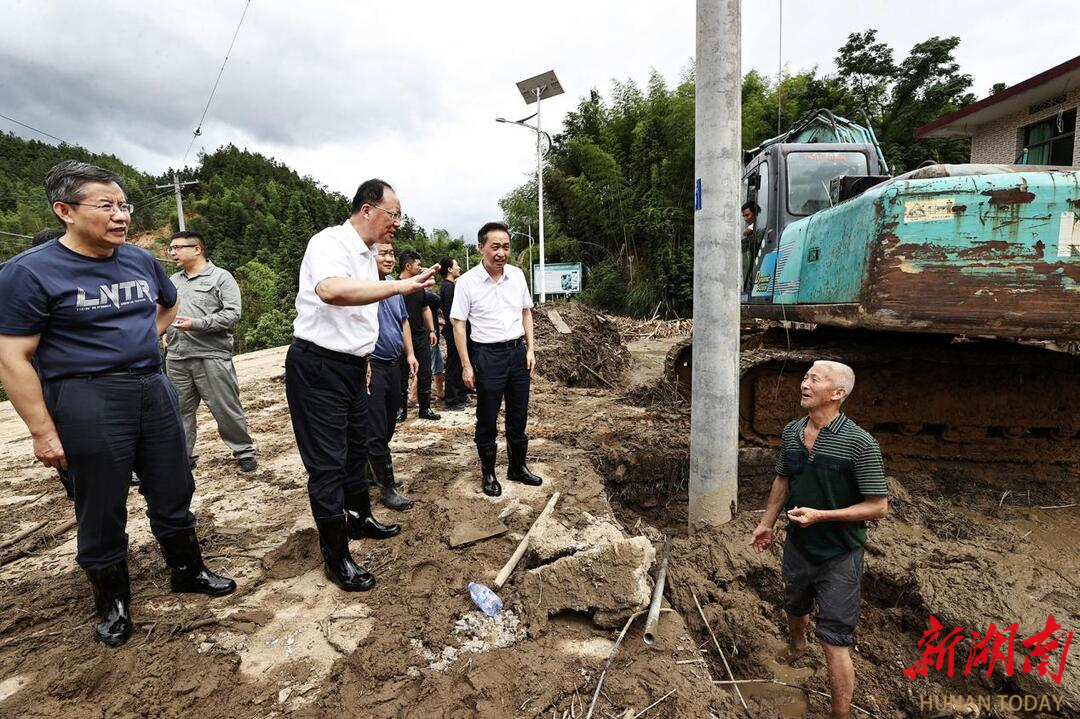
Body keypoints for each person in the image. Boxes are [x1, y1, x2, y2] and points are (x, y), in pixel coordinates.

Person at [0, 161, 234, 647]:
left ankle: (188, 570)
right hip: (86, 396)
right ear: (64, 211)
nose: (121, 215)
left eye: (123, 205)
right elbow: (12, 357)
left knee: (173, 484)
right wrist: (42, 431)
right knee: (102, 503)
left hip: (153, 385)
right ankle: (113, 602)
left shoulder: (139, 260)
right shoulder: (28, 272)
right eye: (105, 206)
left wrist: (146, 338)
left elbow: (169, 303)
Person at [285, 178, 437, 593]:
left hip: (354, 368)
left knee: (358, 449)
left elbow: (360, 317)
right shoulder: (329, 243)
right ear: (367, 209)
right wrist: (399, 285)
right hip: (318, 368)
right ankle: (337, 558)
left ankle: (360, 518)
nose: (397, 223)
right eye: (393, 214)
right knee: (328, 465)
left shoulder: (369, 256)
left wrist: (364, 357)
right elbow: (330, 290)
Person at [749, 360, 888, 719]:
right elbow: (783, 480)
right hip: (798, 545)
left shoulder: (860, 443)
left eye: (815, 379)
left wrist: (822, 516)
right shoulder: (792, 432)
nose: (804, 383)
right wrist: (767, 523)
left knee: (833, 640)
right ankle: (797, 645)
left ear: (837, 393)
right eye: (805, 377)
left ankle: (840, 714)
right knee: (794, 605)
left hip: (839, 554)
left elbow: (878, 506)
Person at [450, 222, 543, 497]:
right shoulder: (467, 282)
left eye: (506, 247)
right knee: (487, 416)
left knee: (518, 414)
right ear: (481, 247)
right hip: (487, 355)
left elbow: (526, 312)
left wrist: (530, 349)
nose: (501, 253)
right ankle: (489, 473)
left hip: (517, 354)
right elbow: (458, 324)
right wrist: (466, 365)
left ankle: (517, 467)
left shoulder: (517, 275)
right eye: (495, 247)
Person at [164, 231, 257, 472]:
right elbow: (164, 310)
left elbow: (232, 314)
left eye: (177, 248)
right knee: (179, 411)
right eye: (170, 249)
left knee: (225, 407)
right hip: (177, 357)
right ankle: (183, 457)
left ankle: (243, 451)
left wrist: (196, 324)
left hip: (211, 355)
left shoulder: (221, 277)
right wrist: (164, 332)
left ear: (197, 249)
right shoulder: (173, 280)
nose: (172, 253)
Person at [368, 241, 419, 510]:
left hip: (393, 364)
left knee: (388, 423)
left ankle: (371, 470)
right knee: (376, 428)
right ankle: (386, 488)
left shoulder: (394, 287)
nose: (389, 258)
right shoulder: (361, 286)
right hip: (371, 366)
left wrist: (410, 354)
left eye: (391, 253)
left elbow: (403, 321)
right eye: (383, 253)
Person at [398, 251, 440, 421]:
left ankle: (425, 408)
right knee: (401, 374)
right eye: (418, 264)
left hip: (421, 335)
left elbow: (425, 308)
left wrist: (431, 330)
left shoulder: (419, 286)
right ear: (408, 266)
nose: (420, 267)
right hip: (401, 337)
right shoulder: (395, 286)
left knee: (425, 373)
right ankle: (400, 409)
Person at [438, 257, 467, 411]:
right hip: (453, 330)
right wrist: (458, 330)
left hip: (454, 329)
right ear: (449, 269)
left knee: (458, 364)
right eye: (456, 265)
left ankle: (461, 395)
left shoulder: (449, 285)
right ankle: (451, 400)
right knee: (453, 365)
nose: (459, 267)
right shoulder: (448, 287)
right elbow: (452, 313)